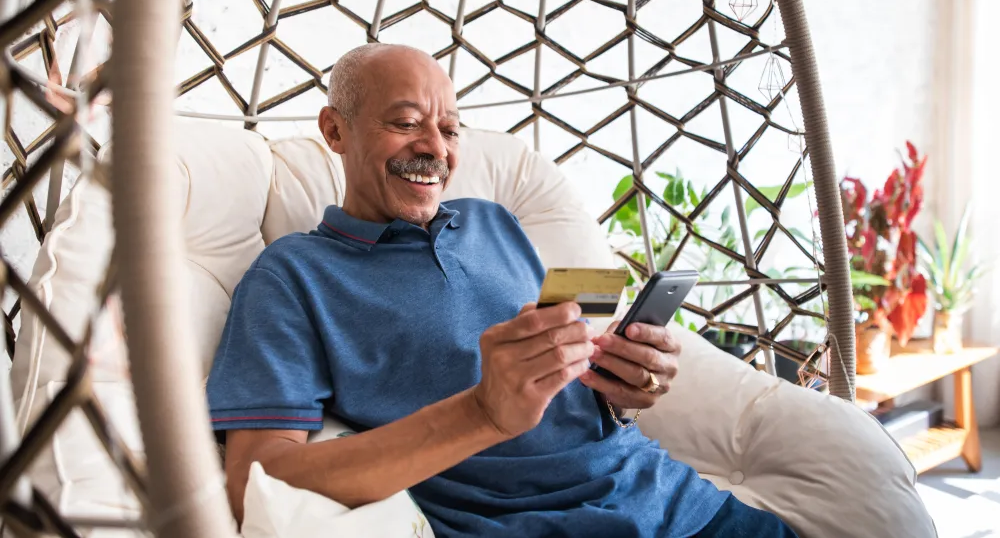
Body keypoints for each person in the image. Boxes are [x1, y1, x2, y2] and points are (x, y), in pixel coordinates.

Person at [205, 44, 798, 537]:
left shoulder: (492, 220)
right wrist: (483, 414)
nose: (435, 148)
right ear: (335, 129)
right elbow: (259, 478)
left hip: (678, 502)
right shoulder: (291, 276)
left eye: (449, 129)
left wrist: (623, 383)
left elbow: (567, 375)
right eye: (406, 123)